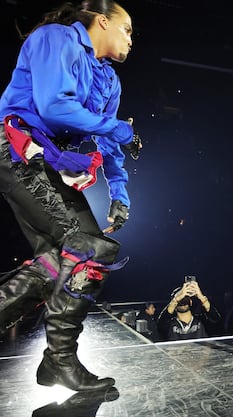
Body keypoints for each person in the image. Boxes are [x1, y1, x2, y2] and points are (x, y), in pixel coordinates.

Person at [0, 1, 141, 391]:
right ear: (103, 21)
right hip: (17, 149)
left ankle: (55, 362)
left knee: (54, 264)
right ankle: (60, 359)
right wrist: (119, 129)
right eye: (127, 29)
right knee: (90, 249)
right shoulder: (54, 39)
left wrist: (120, 192)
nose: (132, 38)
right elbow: (55, 106)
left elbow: (107, 141)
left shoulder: (109, 80)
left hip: (51, 161)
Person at [157, 278, 222, 341]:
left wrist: (201, 297)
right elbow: (161, 323)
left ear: (190, 302)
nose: (182, 302)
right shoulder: (170, 324)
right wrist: (176, 299)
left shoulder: (202, 320)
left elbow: (216, 319)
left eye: (185, 298)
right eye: (180, 300)